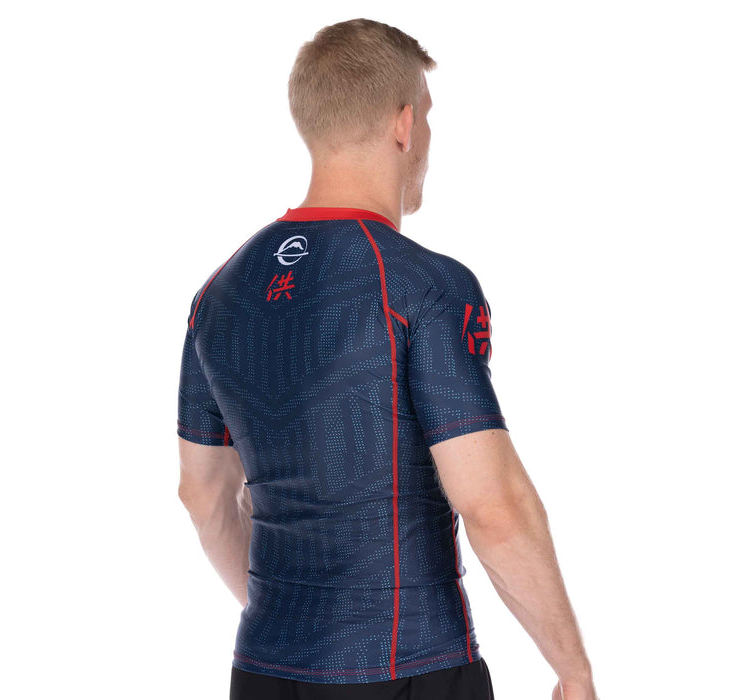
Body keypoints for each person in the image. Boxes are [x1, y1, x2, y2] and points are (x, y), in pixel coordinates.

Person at [177, 17, 598, 700]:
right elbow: (493, 505)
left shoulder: (218, 294)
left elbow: (202, 496)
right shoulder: (421, 286)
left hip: (262, 674)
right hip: (410, 669)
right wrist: (573, 671)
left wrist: (288, 620)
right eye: (427, 115)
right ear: (404, 125)